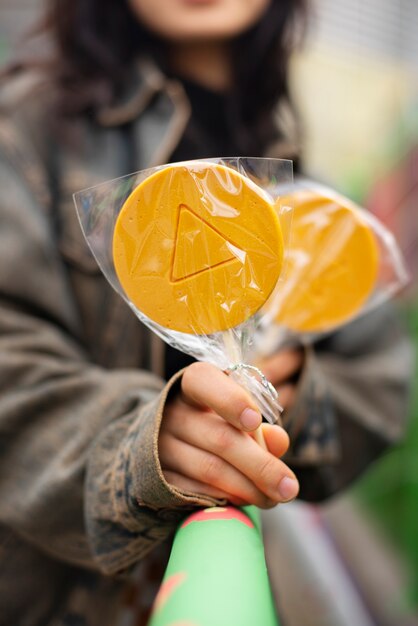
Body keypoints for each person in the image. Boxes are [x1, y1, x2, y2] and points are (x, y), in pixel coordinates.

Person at [0, 0, 412, 624]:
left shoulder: (298, 163)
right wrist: (142, 444)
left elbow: (377, 379)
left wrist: (290, 391)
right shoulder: (27, 129)